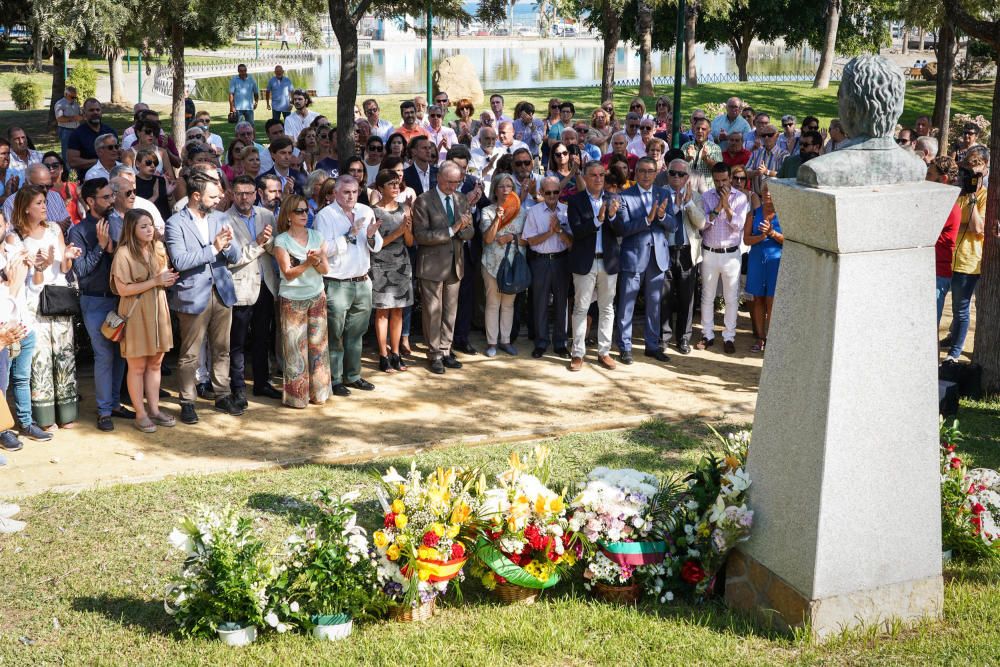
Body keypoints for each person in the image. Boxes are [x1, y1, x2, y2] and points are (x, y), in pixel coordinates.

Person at [165, 172, 243, 424]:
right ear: (196, 196)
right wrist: (213, 249)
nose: (218, 199)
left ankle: (222, 395)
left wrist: (228, 246)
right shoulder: (175, 223)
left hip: (221, 293)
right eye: (212, 196)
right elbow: (179, 261)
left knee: (222, 349)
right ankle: (187, 401)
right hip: (192, 296)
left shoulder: (221, 218)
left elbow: (236, 255)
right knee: (190, 353)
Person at [11, 185, 83, 431]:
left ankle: (67, 413)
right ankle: (44, 417)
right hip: (34, 303)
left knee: (63, 355)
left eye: (44, 202)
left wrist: (68, 256)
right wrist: (39, 267)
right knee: (40, 359)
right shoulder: (16, 237)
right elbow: (21, 280)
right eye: (39, 203)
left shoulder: (54, 229)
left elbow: (63, 268)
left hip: (59, 297)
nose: (44, 206)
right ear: (26, 209)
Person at [68, 178, 135, 431]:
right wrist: (99, 245)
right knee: (104, 355)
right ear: (90, 201)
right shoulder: (78, 231)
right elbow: (82, 271)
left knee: (120, 353)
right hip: (94, 300)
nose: (111, 200)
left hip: (120, 298)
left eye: (111, 195)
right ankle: (104, 411)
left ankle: (115, 404)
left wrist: (111, 249)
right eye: (105, 197)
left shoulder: (118, 223)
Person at [314, 175, 382, 395]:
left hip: (362, 281)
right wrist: (349, 236)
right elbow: (323, 250)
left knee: (356, 333)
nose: (351, 196)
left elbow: (376, 246)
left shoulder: (366, 211)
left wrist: (371, 237)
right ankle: (334, 379)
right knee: (335, 334)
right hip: (337, 283)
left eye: (354, 191)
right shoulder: (325, 215)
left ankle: (353, 375)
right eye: (346, 192)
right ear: (335, 193)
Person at [111, 209, 178, 432]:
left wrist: (166, 280)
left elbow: (161, 278)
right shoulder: (123, 253)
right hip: (136, 310)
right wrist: (156, 281)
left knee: (156, 363)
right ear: (132, 229)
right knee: (137, 366)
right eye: (143, 226)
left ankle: (155, 409)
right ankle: (140, 413)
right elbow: (122, 289)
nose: (150, 230)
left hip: (158, 308)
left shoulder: (158, 248)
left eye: (151, 225)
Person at [411, 161, 475, 374]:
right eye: (449, 182)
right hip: (431, 265)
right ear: (438, 178)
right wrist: (453, 229)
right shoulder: (423, 200)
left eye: (457, 182)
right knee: (432, 312)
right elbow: (420, 236)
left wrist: (463, 230)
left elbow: (470, 232)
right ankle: (434, 353)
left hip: (455, 263)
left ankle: (446, 350)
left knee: (450, 311)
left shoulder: (461, 198)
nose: (453, 186)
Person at [272, 195, 332, 408]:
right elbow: (287, 274)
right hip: (292, 299)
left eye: (306, 210)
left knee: (319, 348)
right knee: (295, 350)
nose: (304, 214)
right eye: (299, 211)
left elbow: (325, 269)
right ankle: (297, 399)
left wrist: (316, 262)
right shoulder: (281, 241)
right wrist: (308, 262)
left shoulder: (317, 236)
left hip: (317, 296)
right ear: (288, 215)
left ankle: (320, 394)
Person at [226, 175, 282, 405]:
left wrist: (265, 243)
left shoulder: (267, 215)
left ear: (256, 194)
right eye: (239, 193)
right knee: (237, 341)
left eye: (249, 193)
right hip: (240, 287)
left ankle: (262, 383)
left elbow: (276, 248)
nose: (244, 198)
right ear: (232, 193)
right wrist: (259, 243)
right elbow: (231, 259)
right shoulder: (223, 220)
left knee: (262, 337)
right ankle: (237, 386)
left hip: (266, 285)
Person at [612, 157, 673, 364]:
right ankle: (625, 346)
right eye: (642, 171)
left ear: (656, 173)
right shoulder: (624, 196)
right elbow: (622, 228)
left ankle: (652, 345)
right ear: (635, 173)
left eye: (650, 171)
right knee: (626, 304)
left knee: (654, 304)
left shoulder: (664, 193)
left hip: (658, 258)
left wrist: (663, 217)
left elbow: (673, 225)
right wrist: (647, 220)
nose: (646, 175)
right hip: (633, 256)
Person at [567, 162, 622, 371]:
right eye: (593, 175)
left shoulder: (613, 199)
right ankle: (577, 353)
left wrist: (613, 216)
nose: (598, 179)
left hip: (608, 262)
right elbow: (578, 231)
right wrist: (599, 219)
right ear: (585, 177)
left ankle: (604, 352)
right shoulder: (575, 201)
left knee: (607, 307)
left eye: (601, 175)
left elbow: (620, 231)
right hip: (584, 262)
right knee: (581, 308)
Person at [697, 163, 750, 354]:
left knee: (731, 298)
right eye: (717, 181)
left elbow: (738, 226)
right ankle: (707, 334)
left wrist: (726, 206)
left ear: (730, 178)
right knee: (707, 296)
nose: (721, 185)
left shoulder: (741, 198)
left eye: (724, 180)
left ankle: (729, 336)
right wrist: (719, 206)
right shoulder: (706, 196)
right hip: (710, 252)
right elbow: (703, 225)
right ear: (713, 179)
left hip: (731, 254)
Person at [943, 151, 988, 363]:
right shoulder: (957, 194)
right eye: (969, 174)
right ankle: (952, 336)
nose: (972, 180)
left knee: (961, 309)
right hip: (949, 257)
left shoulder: (984, 196)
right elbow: (947, 221)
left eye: (977, 176)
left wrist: (972, 198)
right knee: (949, 306)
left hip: (969, 261)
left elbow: (978, 227)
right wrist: (963, 224)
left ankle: (955, 352)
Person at [658, 159, 705, 355]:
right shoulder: (660, 193)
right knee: (665, 297)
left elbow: (701, 223)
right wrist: (674, 208)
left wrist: (688, 204)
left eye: (681, 174)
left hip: (687, 252)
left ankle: (684, 338)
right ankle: (664, 337)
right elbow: (659, 222)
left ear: (687, 177)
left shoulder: (695, 196)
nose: (676, 177)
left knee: (687, 298)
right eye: (672, 173)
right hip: (665, 251)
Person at [523, 175, 572, 358]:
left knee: (562, 303)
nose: (552, 195)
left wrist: (559, 231)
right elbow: (531, 241)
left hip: (561, 261)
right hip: (540, 261)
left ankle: (560, 343)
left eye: (556, 192)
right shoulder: (533, 212)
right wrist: (549, 233)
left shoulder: (567, 211)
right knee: (540, 303)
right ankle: (541, 342)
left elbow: (571, 243)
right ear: (541, 192)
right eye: (548, 192)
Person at [370, 170, 414, 372]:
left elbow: (410, 242)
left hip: (401, 263)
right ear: (380, 188)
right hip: (380, 263)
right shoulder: (373, 212)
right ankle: (383, 355)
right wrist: (398, 232)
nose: (396, 187)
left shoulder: (405, 209)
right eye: (391, 184)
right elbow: (375, 245)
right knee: (382, 312)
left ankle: (396, 354)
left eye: (397, 184)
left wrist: (407, 230)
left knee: (398, 310)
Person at [479, 174, 527, 357]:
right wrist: (497, 219)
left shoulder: (522, 212)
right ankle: (492, 343)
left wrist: (512, 238)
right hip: (492, 263)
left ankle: (505, 341)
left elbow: (528, 240)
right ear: (495, 190)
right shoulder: (488, 211)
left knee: (508, 304)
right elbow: (489, 238)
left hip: (514, 264)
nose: (506, 190)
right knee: (492, 303)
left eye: (509, 186)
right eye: (502, 186)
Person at [743, 182, 783, 353]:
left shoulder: (785, 215)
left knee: (772, 301)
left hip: (776, 261)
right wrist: (761, 236)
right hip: (757, 259)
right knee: (758, 298)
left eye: (771, 191)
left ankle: (773, 340)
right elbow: (746, 240)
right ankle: (760, 338)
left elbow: (789, 240)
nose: (767, 193)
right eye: (765, 190)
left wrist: (772, 233)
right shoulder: (752, 214)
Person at [927, 157, 961, 326]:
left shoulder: (948, 208)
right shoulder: (935, 203)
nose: (926, 178)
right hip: (928, 271)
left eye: (930, 174)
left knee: (929, 327)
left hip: (937, 274)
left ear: (944, 179)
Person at [2, 163, 71, 232]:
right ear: (27, 182)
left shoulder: (55, 197)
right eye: (40, 186)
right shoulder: (11, 203)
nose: (45, 190)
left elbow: (69, 227)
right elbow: (11, 234)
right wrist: (53, 229)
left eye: (48, 186)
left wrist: (62, 231)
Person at [67, 98, 117, 182]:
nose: (95, 112)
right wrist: (99, 162)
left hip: (112, 175)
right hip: (89, 179)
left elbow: (117, 154)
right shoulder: (76, 134)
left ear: (101, 112)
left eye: (98, 110)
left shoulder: (110, 132)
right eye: (91, 110)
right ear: (84, 113)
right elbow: (73, 162)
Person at [681, 118, 722, 193]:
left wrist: (706, 159)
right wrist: (688, 158)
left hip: (707, 189)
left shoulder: (715, 148)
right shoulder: (686, 146)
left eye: (703, 129)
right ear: (693, 129)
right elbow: (679, 168)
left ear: (709, 131)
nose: (700, 131)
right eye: (698, 128)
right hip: (687, 188)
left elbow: (719, 170)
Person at [42, 152, 83, 227]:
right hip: (57, 229)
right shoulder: (43, 191)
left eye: (55, 165)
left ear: (62, 168)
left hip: (79, 227)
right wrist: (67, 200)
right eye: (47, 166)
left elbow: (84, 212)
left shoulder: (72, 185)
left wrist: (81, 197)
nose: (51, 168)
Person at [745, 124, 787, 195]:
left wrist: (767, 172)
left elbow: (785, 177)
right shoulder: (755, 153)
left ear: (777, 136)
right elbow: (745, 173)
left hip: (774, 198)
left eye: (770, 135)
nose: (766, 138)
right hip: (756, 197)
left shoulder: (784, 155)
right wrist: (756, 172)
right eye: (763, 135)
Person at [54, 86, 82, 163]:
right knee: (66, 152)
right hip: (65, 130)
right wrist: (74, 118)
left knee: (77, 150)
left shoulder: (76, 104)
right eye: (72, 97)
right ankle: (67, 170)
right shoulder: (60, 104)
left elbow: (80, 115)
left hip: (76, 130)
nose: (73, 99)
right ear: (66, 94)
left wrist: (82, 116)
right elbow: (59, 118)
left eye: (75, 97)